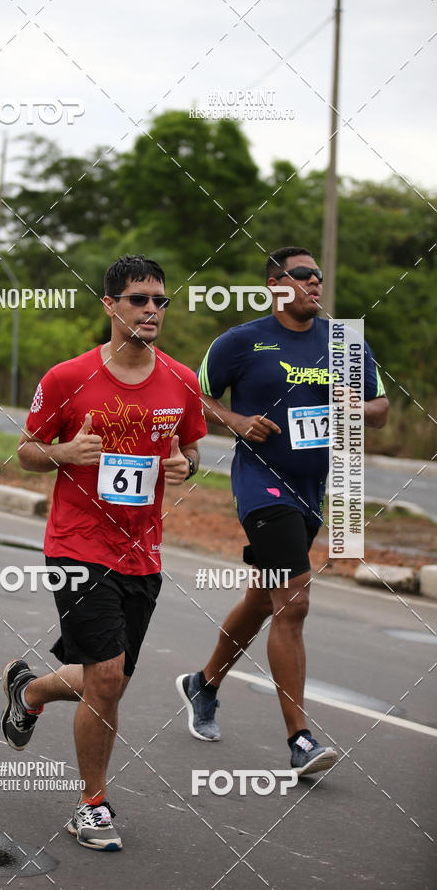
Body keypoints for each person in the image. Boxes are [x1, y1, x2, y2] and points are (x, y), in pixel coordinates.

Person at [1, 255, 206, 850]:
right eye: (139, 299)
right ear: (110, 306)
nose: (151, 310)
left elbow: (194, 451)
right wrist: (65, 453)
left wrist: (183, 465)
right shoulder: (68, 378)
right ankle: (93, 806)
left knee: (106, 680)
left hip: (142, 552)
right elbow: (28, 452)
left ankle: (30, 691)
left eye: (160, 301)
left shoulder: (182, 380)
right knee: (108, 676)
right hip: (76, 544)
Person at [176, 246, 389, 776]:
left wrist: (354, 408)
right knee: (293, 602)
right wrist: (235, 420)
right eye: (304, 276)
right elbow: (193, 393)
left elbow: (381, 410)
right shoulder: (242, 341)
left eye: (319, 276)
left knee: (264, 599)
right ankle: (300, 740)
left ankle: (202, 683)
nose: (316, 283)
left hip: (311, 489)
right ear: (276, 284)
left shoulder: (343, 342)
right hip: (261, 486)